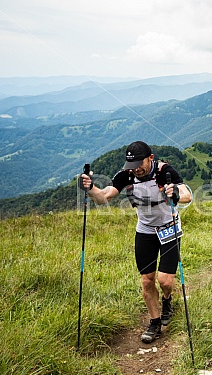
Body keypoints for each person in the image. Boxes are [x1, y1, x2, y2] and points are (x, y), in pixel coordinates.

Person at [80, 141, 192, 343]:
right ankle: (155, 321)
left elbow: (186, 195)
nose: (136, 169)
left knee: (165, 281)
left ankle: (167, 299)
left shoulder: (164, 170)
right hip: (145, 231)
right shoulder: (127, 174)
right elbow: (104, 197)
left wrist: (175, 194)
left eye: (140, 164)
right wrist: (90, 188)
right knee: (146, 280)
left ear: (150, 158)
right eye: (132, 165)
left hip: (169, 227)